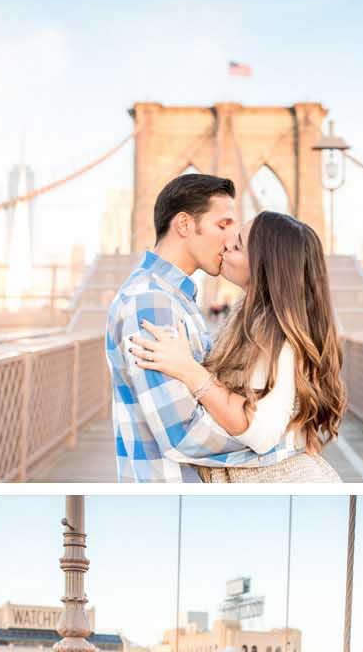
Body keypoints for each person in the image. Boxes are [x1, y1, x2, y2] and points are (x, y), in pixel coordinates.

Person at [130, 207, 345, 485]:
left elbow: (261, 432)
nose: (227, 243)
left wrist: (190, 371)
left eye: (239, 244)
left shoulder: (275, 334)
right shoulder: (253, 317)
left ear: (265, 266)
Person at [106, 174, 297, 484]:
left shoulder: (177, 299)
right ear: (184, 225)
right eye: (222, 226)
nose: (230, 239)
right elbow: (182, 434)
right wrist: (278, 446)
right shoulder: (151, 302)